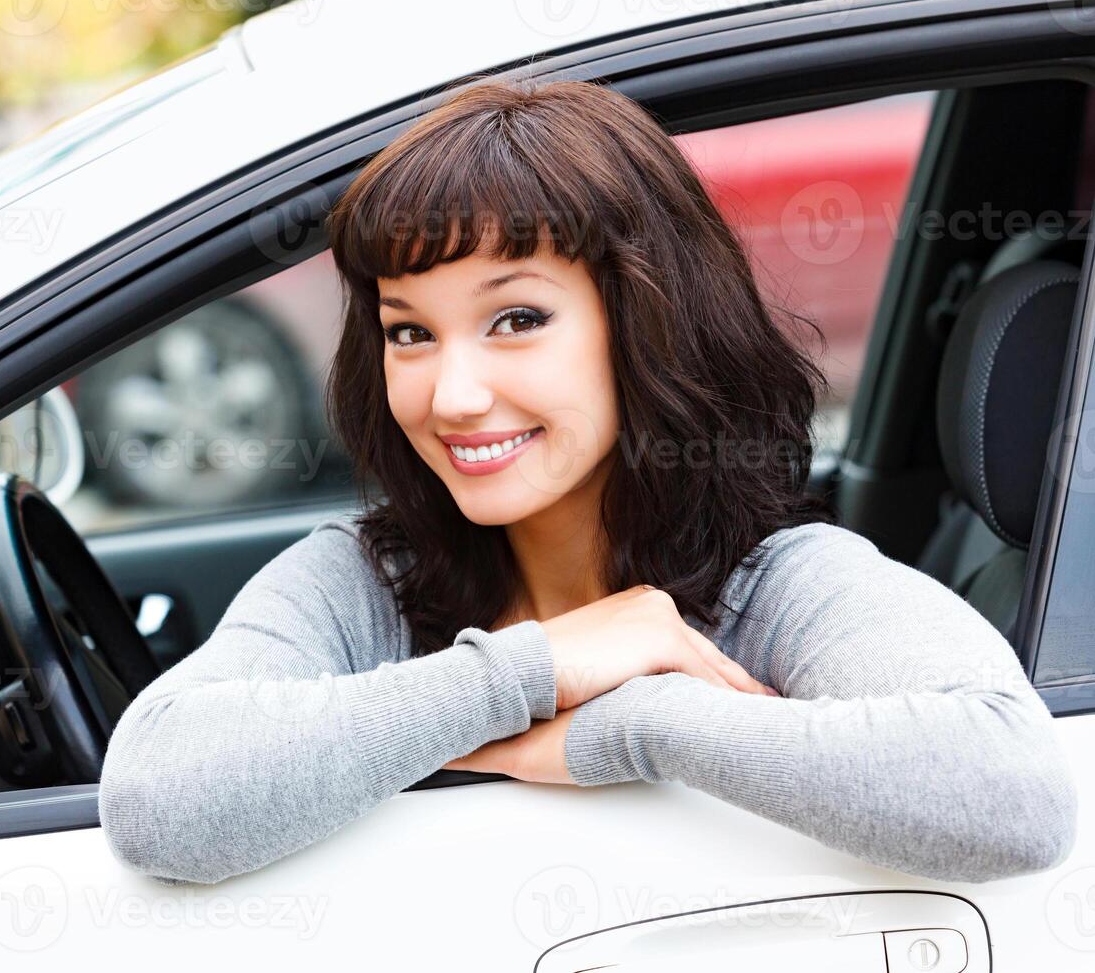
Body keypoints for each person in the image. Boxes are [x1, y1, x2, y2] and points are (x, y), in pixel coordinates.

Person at [97, 75, 1077, 886]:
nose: (454, 392)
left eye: (516, 318)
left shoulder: (775, 586)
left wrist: (637, 721)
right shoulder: (363, 583)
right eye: (410, 331)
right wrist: (534, 670)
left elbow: (1013, 790)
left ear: (643, 325)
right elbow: (159, 794)